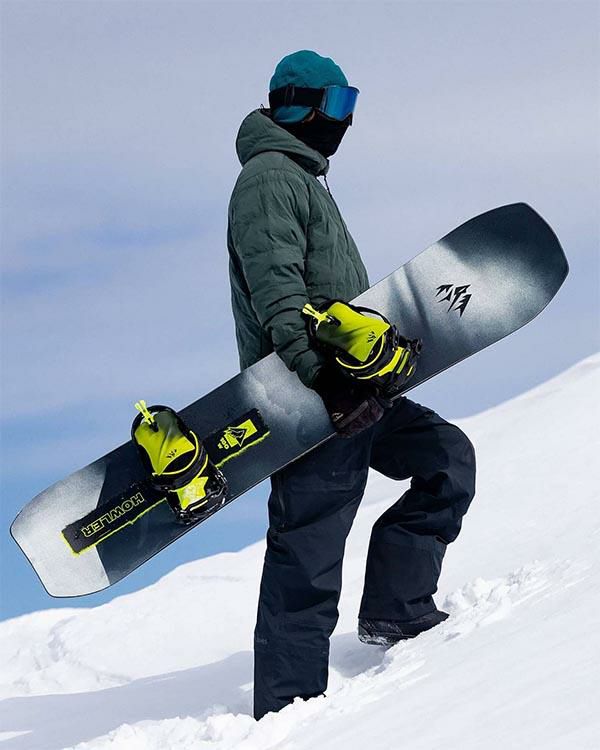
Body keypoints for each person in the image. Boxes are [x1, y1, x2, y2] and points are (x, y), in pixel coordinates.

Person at [226, 50, 476, 721]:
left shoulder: (303, 179)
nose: (345, 121)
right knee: (308, 553)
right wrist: (324, 385)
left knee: (446, 459)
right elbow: (278, 296)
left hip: (355, 388)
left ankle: (397, 609)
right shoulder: (269, 180)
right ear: (299, 105)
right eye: (337, 105)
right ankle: (289, 713)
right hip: (310, 401)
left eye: (350, 105)